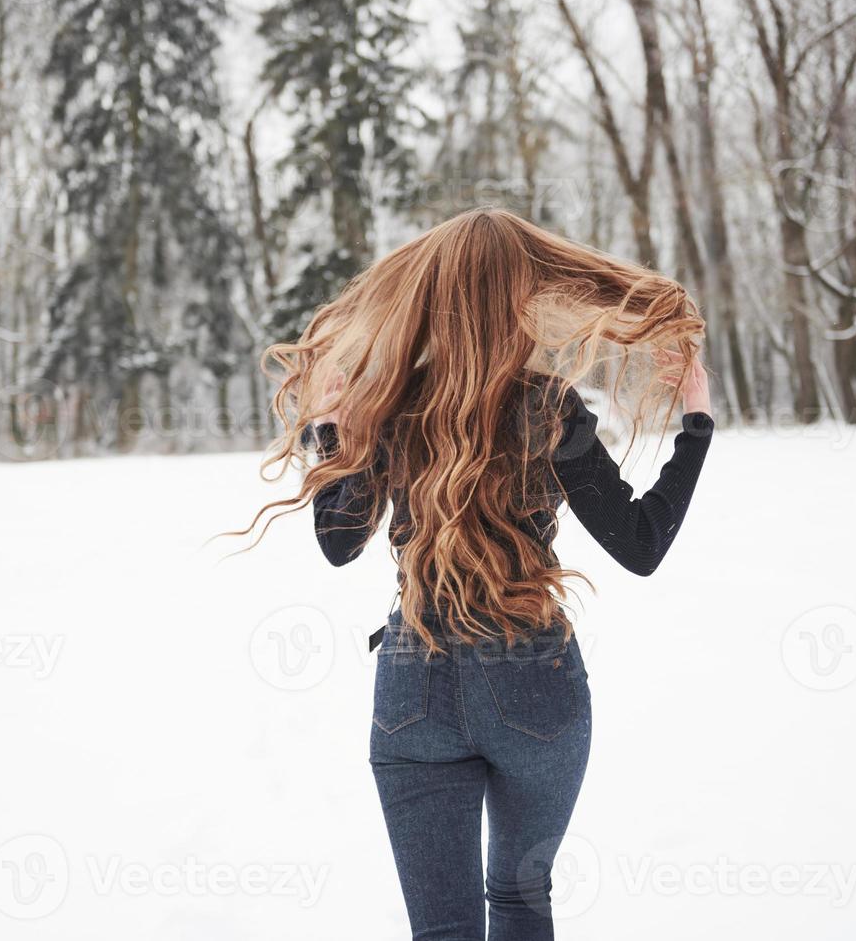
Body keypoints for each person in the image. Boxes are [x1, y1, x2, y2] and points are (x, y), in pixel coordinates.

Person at [241, 207, 714, 940]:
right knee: (521, 902)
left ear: (426, 297)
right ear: (521, 295)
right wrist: (695, 428)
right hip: (537, 681)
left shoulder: (389, 403)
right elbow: (640, 544)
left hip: (412, 684)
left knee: (442, 932)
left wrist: (328, 429)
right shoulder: (550, 405)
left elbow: (338, 543)